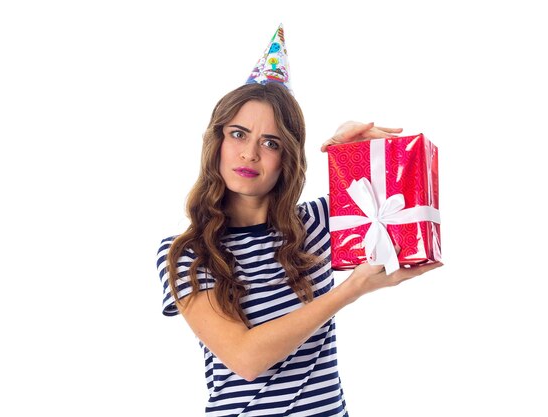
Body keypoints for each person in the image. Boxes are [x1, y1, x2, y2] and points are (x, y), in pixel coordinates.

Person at [156, 26, 443, 417]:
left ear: (287, 157)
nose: (250, 154)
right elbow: (246, 359)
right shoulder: (187, 253)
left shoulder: (320, 221)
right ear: (217, 142)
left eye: (271, 142)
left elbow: (410, 210)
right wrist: (350, 290)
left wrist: (367, 153)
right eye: (238, 134)